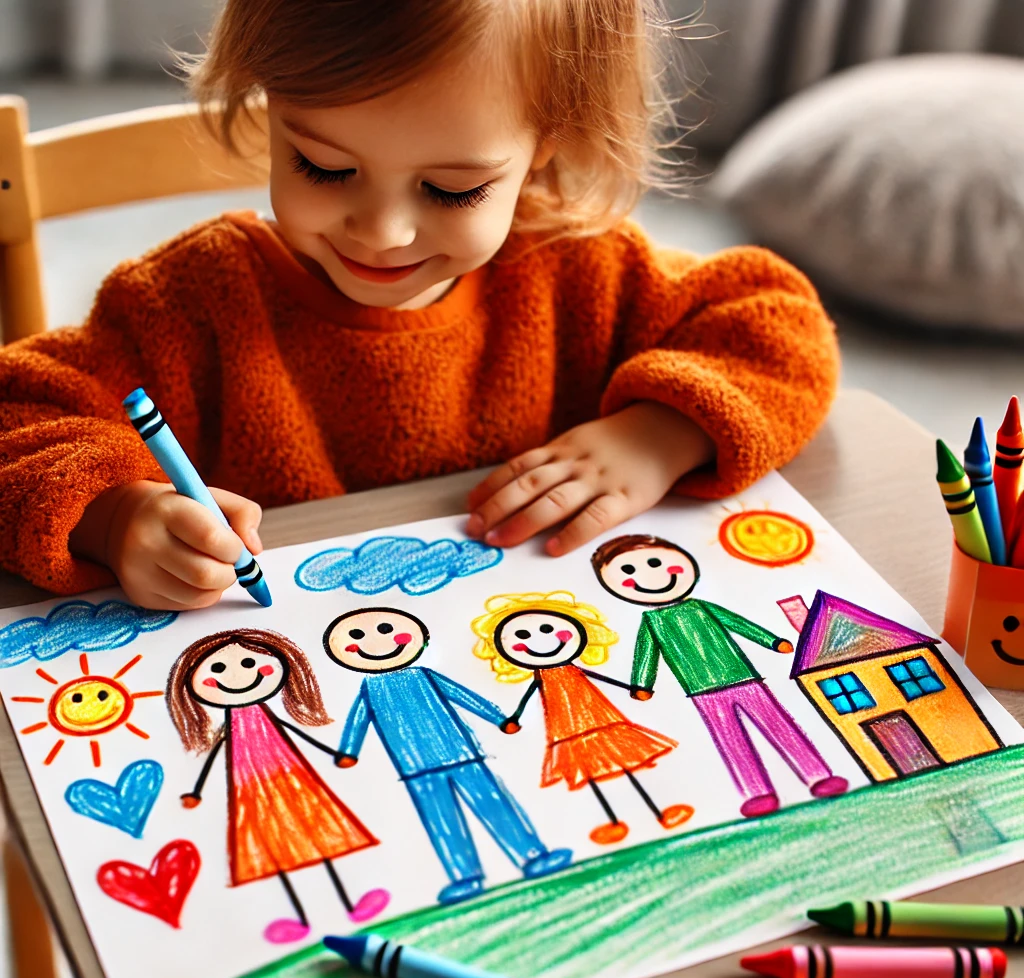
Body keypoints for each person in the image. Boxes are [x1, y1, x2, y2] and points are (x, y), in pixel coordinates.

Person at [0, 0, 838, 609]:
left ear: (545, 141)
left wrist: (660, 432)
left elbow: (780, 323)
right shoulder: (188, 304)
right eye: (325, 168)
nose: (384, 232)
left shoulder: (577, 270)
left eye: (452, 188)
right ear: (273, 107)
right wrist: (113, 515)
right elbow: (15, 410)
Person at [324, 607, 573, 905]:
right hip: (416, 767)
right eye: (358, 636)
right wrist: (349, 750)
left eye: (388, 631)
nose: (378, 643)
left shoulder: (424, 675)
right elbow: (358, 719)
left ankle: (533, 855)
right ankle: (465, 877)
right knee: (441, 820)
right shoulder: (371, 687)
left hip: (462, 755)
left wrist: (498, 718)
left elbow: (464, 696)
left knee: (493, 803)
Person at [592, 535, 849, 817]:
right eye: (628, 571)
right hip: (702, 690)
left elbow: (738, 623)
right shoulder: (651, 621)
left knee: (780, 725)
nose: (649, 575)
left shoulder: (702, 607)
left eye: (655, 562)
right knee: (731, 741)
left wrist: (771, 641)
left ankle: (818, 774)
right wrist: (643, 684)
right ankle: (757, 793)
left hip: (744, 679)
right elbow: (646, 654)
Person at [166, 628, 389, 943]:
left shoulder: (268, 716)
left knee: (317, 832)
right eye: (217, 668)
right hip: (251, 787)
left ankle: (350, 902)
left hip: (293, 779)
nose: (237, 675)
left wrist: (335, 754)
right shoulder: (230, 726)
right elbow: (218, 751)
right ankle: (300, 919)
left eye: (248, 663)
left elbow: (295, 734)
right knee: (270, 844)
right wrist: (196, 792)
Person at [471, 591, 693, 845]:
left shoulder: (573, 669)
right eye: (522, 636)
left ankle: (661, 811)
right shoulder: (541, 676)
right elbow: (530, 695)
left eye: (547, 628)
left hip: (601, 720)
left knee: (625, 765)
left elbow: (600, 678)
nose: (541, 639)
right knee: (590, 774)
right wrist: (515, 718)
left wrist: (632, 688)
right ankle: (612, 822)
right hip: (567, 729)